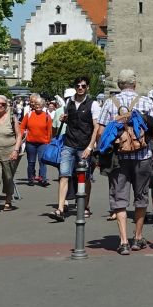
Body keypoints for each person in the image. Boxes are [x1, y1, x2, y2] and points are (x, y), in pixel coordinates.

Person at [96, 69, 153, 255]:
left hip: (119, 159)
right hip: (143, 157)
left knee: (120, 200)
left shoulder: (110, 103)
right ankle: (138, 238)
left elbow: (100, 132)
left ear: (119, 85)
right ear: (135, 83)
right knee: (141, 198)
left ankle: (123, 241)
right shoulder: (146, 101)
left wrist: (104, 153)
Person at [52, 78, 101, 222]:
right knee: (64, 175)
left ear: (87, 88)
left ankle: (85, 206)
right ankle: (60, 208)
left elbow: (96, 127)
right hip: (69, 143)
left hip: (84, 145)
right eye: (78, 86)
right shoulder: (69, 102)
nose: (80, 88)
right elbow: (69, 119)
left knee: (85, 177)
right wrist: (64, 118)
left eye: (83, 86)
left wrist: (91, 146)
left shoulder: (93, 104)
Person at [21, 93, 53, 186]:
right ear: (34, 106)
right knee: (31, 162)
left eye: (40, 105)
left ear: (43, 106)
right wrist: (23, 133)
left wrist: (48, 142)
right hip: (30, 142)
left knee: (42, 161)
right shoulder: (29, 114)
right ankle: (31, 178)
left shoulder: (47, 116)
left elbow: (49, 131)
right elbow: (22, 126)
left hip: (43, 143)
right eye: (36, 105)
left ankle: (43, 179)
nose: (38, 106)